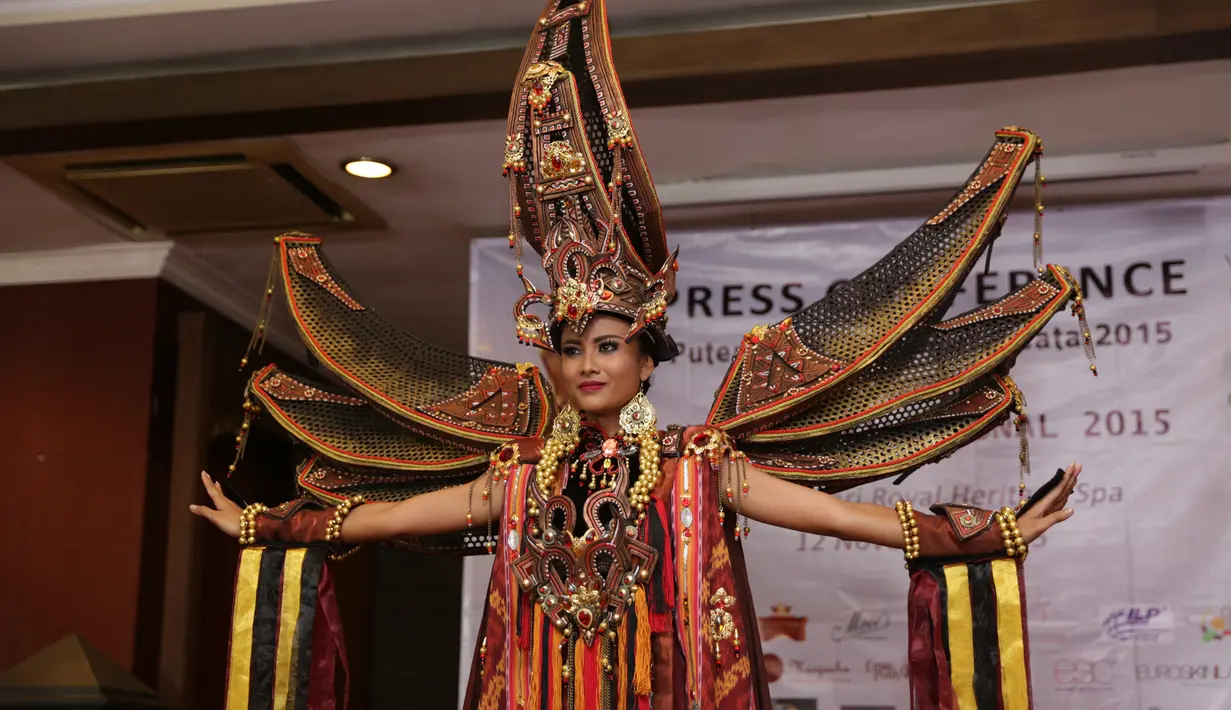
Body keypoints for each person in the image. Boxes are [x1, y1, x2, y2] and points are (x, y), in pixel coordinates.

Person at [191, 1, 1096, 708]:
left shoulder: (701, 468)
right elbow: (376, 522)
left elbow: (854, 522)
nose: (587, 364)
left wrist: (992, 533)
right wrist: (265, 526)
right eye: (571, 349)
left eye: (609, 345)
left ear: (645, 360)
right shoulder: (512, 477)